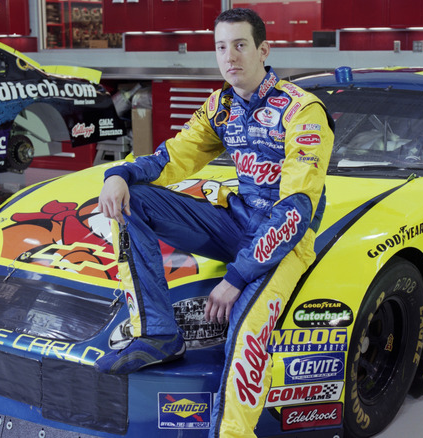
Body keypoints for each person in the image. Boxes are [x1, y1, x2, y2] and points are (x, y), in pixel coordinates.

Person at [95, 8, 334, 437]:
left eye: (240, 45)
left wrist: (238, 277)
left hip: (286, 239)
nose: (230, 56)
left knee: (244, 330)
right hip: (237, 220)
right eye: (221, 47)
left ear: (263, 50)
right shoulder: (221, 105)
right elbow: (173, 157)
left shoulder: (303, 111)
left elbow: (296, 209)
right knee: (135, 201)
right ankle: (157, 333)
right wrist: (119, 174)